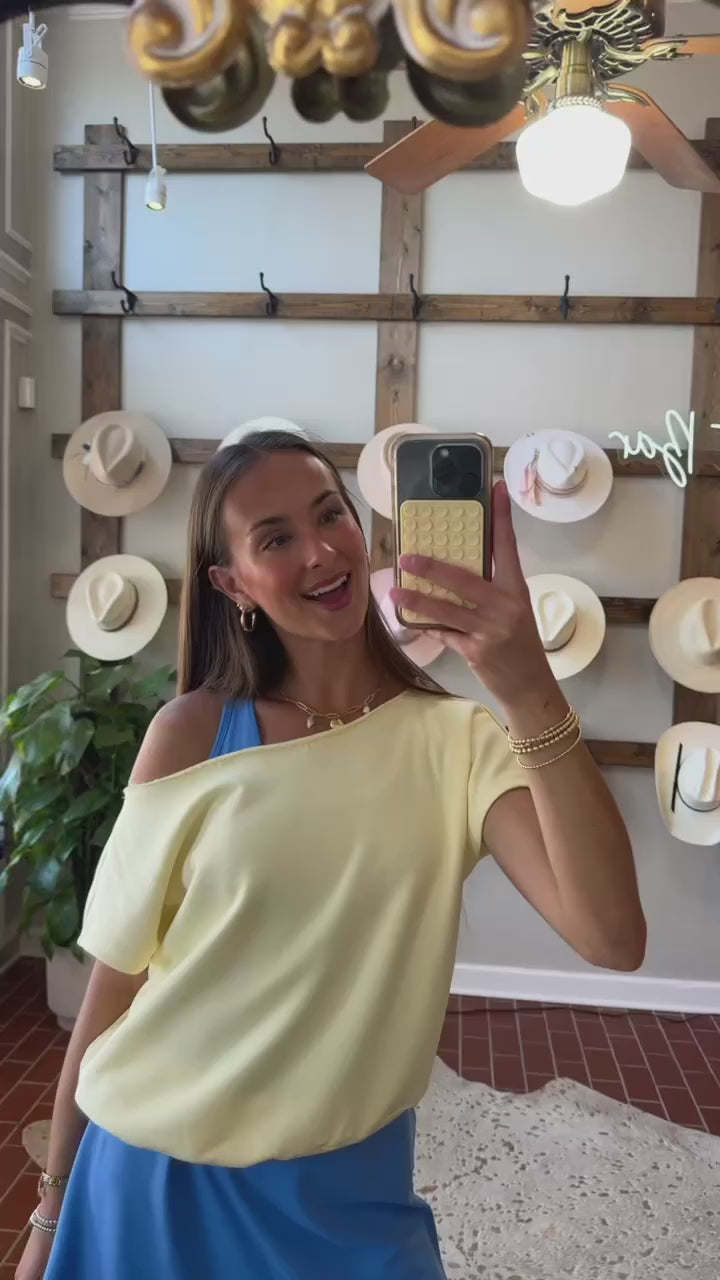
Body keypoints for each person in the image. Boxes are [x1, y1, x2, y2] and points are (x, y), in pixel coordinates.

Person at [18, 430, 646, 1280]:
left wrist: (528, 684)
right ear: (233, 584)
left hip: (354, 1191)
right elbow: (114, 992)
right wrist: (51, 1208)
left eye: (329, 515)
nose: (319, 551)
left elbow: (613, 938)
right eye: (276, 538)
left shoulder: (456, 742)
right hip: (155, 1180)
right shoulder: (191, 735)